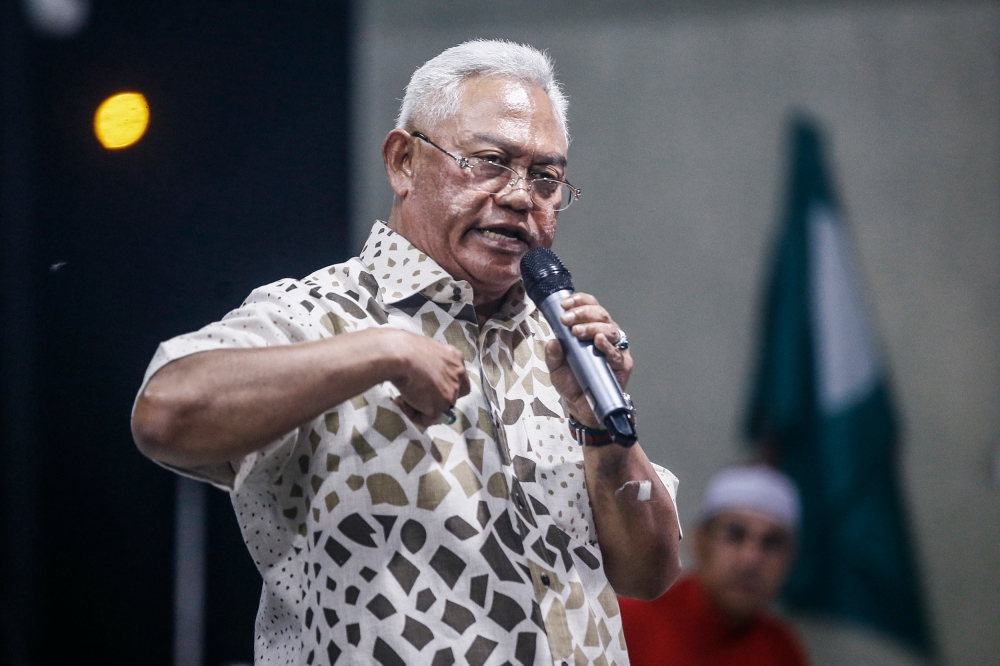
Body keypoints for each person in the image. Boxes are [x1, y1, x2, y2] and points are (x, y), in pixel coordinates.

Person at [132, 39, 682, 666]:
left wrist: (605, 436)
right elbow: (164, 414)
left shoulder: (560, 346)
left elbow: (651, 575)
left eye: (546, 177)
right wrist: (381, 350)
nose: (520, 196)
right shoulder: (319, 314)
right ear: (402, 161)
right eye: (490, 161)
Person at [619, 465, 807, 666]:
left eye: (771, 543)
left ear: (789, 559)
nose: (751, 559)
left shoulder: (781, 651)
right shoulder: (625, 625)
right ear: (701, 542)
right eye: (735, 535)